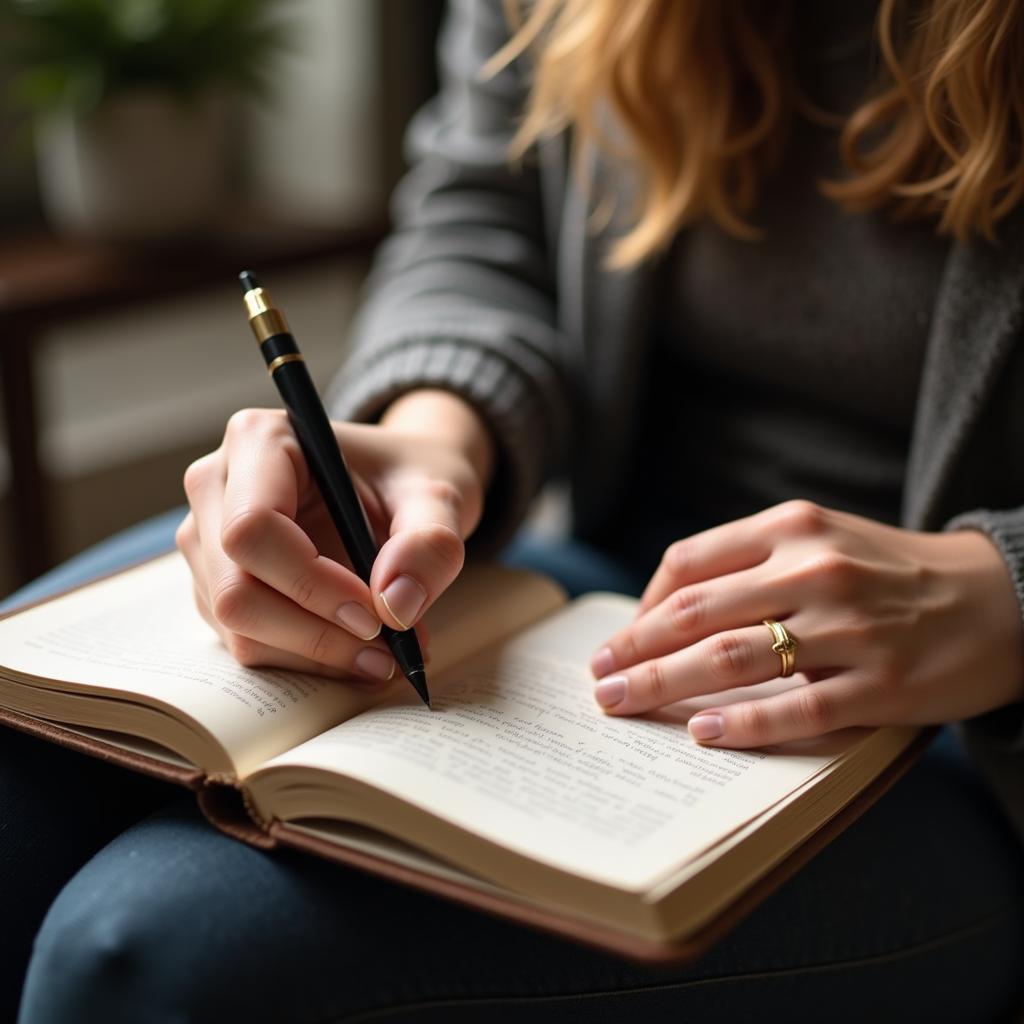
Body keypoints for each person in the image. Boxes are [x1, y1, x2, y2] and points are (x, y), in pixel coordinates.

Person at [5, 0, 1024, 1019]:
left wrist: (1000, 591)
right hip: (584, 586)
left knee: (141, 955)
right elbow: (481, 216)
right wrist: (433, 437)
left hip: (951, 718)